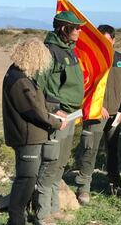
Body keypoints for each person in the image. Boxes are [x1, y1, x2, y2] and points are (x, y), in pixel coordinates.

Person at [2, 38, 67, 225]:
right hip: (26, 136)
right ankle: (16, 219)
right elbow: (33, 110)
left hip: (30, 135)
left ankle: (17, 218)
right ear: (33, 57)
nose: (42, 64)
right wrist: (55, 122)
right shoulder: (19, 80)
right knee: (26, 179)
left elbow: (37, 101)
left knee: (28, 179)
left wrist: (54, 111)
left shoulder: (19, 75)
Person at [33, 11, 85, 225]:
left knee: (60, 164)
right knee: (49, 164)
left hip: (71, 116)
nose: (80, 31)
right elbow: (37, 89)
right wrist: (52, 111)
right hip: (57, 116)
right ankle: (42, 215)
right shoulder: (49, 52)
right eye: (76, 28)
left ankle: (53, 208)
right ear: (65, 29)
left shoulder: (70, 51)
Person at [75, 24, 121, 204]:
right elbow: (81, 85)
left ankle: (115, 186)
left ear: (114, 40)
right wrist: (96, 106)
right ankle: (83, 188)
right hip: (96, 113)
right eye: (101, 41)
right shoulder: (89, 58)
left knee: (113, 152)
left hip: (116, 115)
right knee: (89, 150)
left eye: (108, 41)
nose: (105, 45)